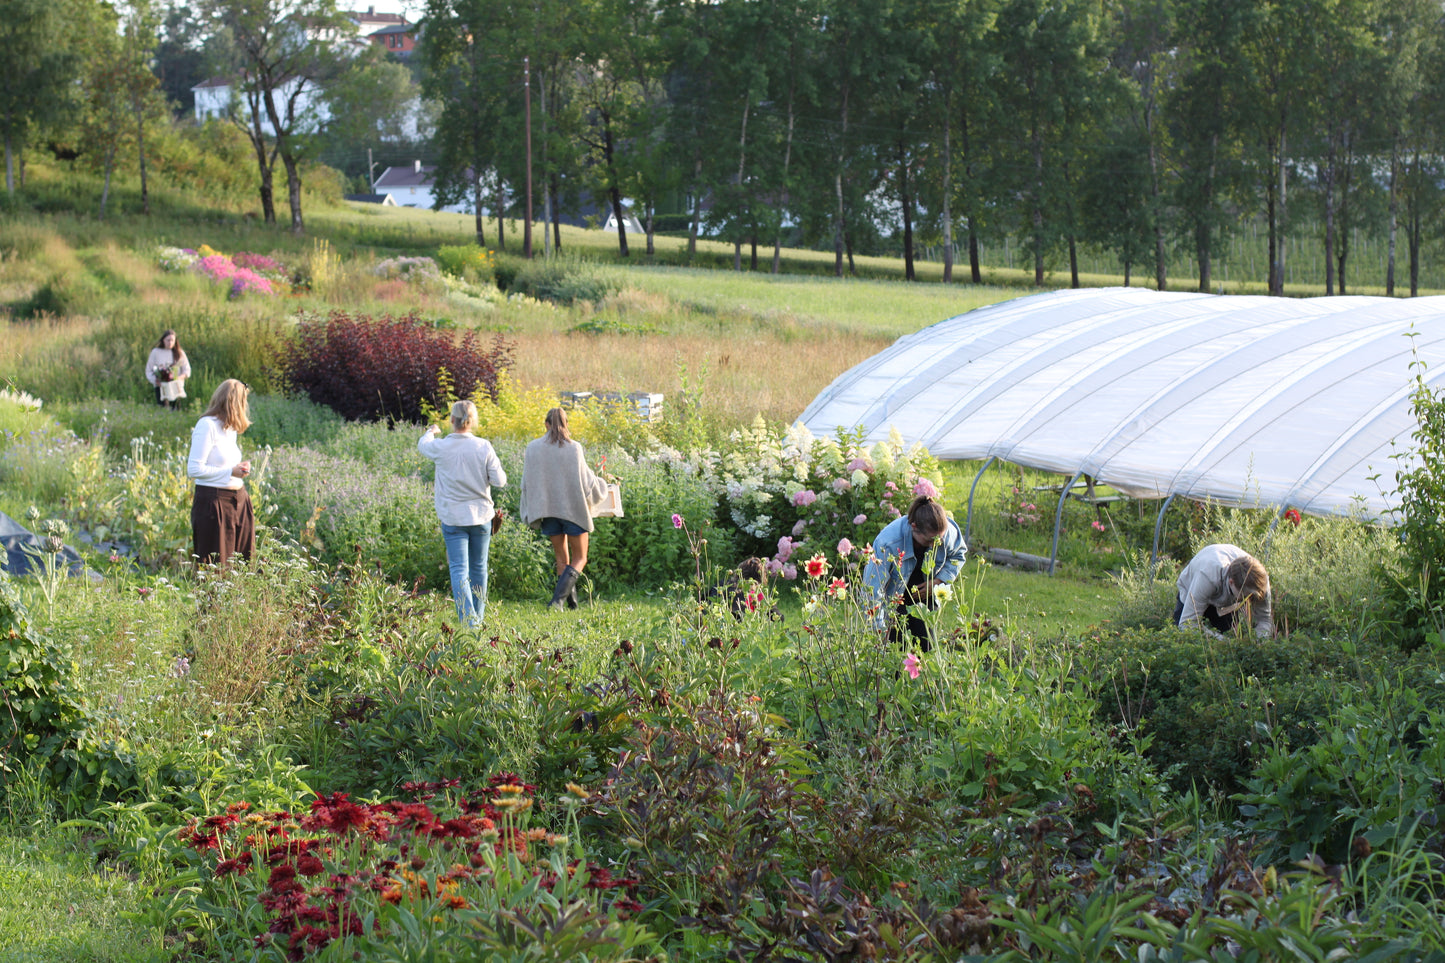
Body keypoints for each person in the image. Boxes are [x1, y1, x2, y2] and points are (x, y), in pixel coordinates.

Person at [419, 401, 507, 628]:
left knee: (459, 569)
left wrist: (431, 431)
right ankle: (477, 618)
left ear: (451, 420)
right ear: (472, 421)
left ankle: (470, 622)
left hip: (453, 517)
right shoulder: (483, 446)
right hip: (481, 516)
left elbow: (423, 445)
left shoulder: (442, 447)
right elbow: (500, 481)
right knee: (479, 568)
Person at [518, 407, 608, 610]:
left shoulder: (532, 448)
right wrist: (604, 484)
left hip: (547, 510)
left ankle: (572, 605)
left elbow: (526, 482)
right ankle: (557, 601)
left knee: (562, 558)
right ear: (566, 424)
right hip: (572, 511)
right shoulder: (574, 448)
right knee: (580, 557)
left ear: (546, 424)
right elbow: (587, 483)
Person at [862, 494, 968, 650]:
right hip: (894, 602)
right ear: (914, 527)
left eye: (939, 540)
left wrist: (938, 582)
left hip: (924, 601)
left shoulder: (946, 532)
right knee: (896, 656)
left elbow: (958, 555)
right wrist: (879, 630)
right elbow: (872, 591)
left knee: (926, 652)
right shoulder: (888, 542)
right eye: (931, 541)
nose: (935, 545)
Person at [187, 379, 254, 566]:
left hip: (238, 501)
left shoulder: (230, 428)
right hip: (214, 503)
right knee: (215, 566)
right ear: (235, 403)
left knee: (241, 564)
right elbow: (194, 469)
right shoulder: (207, 425)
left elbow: (222, 463)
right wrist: (230, 471)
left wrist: (239, 468)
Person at [1175, 543, 1273, 639]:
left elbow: (1265, 620)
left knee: (1231, 635)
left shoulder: (1261, 582)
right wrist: (1223, 641)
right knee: (1183, 637)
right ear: (1231, 582)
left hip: (1226, 602)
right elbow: (1187, 625)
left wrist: (1260, 640)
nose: (1249, 599)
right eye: (1245, 596)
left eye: (1252, 597)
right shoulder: (1207, 576)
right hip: (1193, 590)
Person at [145, 329, 191, 409]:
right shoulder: (156, 352)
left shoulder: (179, 353)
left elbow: (187, 370)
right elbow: (149, 370)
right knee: (162, 410)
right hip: (161, 387)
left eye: (172, 340)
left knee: (176, 410)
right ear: (163, 340)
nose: (170, 342)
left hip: (175, 387)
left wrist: (177, 378)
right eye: (168, 340)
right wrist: (156, 380)